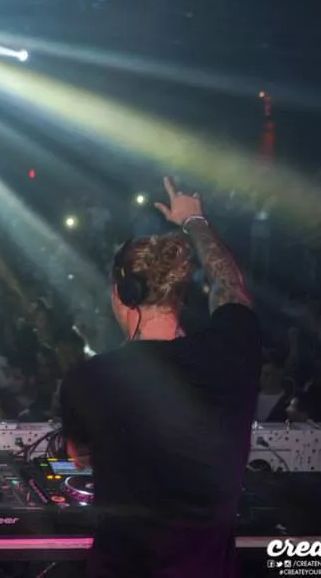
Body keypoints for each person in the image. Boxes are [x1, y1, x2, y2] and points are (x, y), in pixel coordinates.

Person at [60, 177, 260, 578]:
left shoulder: (88, 380)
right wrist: (195, 219)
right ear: (180, 294)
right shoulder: (233, 352)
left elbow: (79, 455)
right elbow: (230, 287)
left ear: (123, 294)